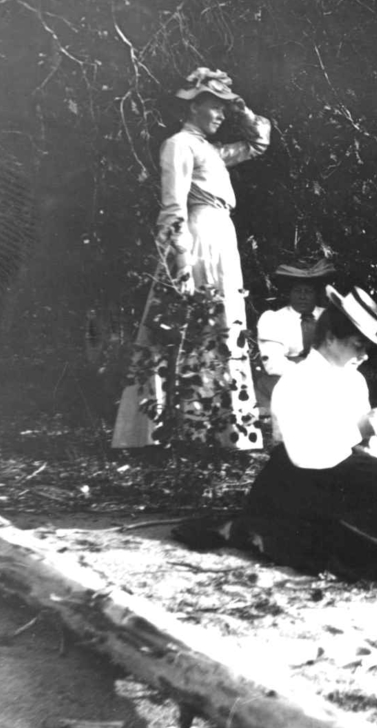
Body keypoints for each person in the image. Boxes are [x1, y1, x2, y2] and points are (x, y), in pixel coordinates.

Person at [225, 286, 377, 581]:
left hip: (340, 469)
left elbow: (364, 445)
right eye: (358, 345)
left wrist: (376, 442)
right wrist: (360, 430)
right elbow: (304, 453)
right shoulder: (297, 381)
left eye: (366, 349)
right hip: (300, 480)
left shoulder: (353, 380)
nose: (364, 356)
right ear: (331, 338)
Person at [113, 67, 270, 449]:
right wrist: (179, 259)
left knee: (223, 323)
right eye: (215, 108)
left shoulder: (212, 151)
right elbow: (173, 206)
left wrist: (241, 107)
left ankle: (221, 431)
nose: (221, 116)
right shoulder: (179, 144)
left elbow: (259, 142)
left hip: (221, 236)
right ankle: (164, 431)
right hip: (198, 240)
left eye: (223, 109)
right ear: (194, 107)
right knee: (190, 323)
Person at [253, 257, 336, 411]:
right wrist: (309, 376)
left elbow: (338, 353)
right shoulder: (274, 319)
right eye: (298, 291)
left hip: (325, 378)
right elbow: (273, 364)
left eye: (308, 291)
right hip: (285, 380)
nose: (302, 296)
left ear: (316, 294)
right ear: (289, 293)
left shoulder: (328, 317)